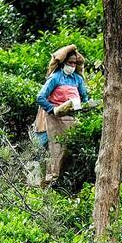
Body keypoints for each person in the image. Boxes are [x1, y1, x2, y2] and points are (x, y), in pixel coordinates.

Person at [34, 44, 91, 184]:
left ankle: (59, 183)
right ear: (63, 63)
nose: (72, 66)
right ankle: (37, 182)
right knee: (43, 150)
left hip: (69, 119)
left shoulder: (77, 79)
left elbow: (84, 98)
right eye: (69, 63)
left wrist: (86, 106)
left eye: (74, 63)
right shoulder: (55, 77)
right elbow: (40, 97)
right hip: (51, 118)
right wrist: (53, 109)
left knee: (65, 151)